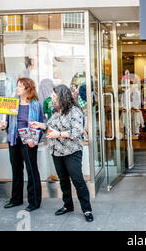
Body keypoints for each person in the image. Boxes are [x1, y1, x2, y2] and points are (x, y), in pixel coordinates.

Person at [30, 85, 94, 222]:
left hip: (71, 151)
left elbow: (77, 131)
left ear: (62, 97)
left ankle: (87, 209)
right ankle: (67, 205)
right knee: (63, 180)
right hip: (56, 151)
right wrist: (41, 125)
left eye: (54, 96)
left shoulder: (75, 111)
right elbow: (50, 127)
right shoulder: (55, 111)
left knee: (78, 180)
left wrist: (59, 134)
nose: (52, 99)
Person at [0, 78, 43, 212]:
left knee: (31, 170)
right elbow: (4, 121)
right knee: (16, 170)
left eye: (20, 86)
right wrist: (2, 125)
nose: (17, 88)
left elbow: (40, 124)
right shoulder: (12, 103)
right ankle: (16, 199)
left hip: (29, 140)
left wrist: (34, 140)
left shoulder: (35, 104)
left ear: (28, 89)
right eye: (17, 86)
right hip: (14, 139)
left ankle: (34, 201)